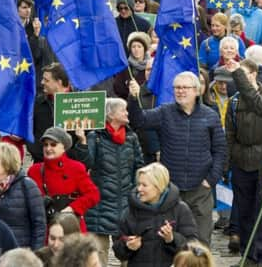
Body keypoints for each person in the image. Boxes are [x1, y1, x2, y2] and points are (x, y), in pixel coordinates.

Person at [128, 72, 227, 245]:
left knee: (200, 242)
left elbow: (220, 150)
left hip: (200, 190)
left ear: (196, 91)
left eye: (184, 88)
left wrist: (211, 179)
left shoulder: (210, 115)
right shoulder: (165, 111)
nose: (180, 91)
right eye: (177, 88)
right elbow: (139, 121)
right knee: (170, 241)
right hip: (171, 190)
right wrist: (134, 98)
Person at [224, 58, 262, 264]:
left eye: (244, 75)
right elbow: (229, 134)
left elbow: (261, 107)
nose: (241, 81)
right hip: (241, 160)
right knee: (244, 209)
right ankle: (248, 254)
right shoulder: (235, 101)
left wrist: (238, 76)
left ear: (254, 75)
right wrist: (227, 162)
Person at [76, 98, 145, 266]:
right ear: (111, 115)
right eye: (124, 110)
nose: (127, 113)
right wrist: (82, 142)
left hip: (126, 204)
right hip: (100, 206)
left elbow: (139, 166)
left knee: (129, 254)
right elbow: (86, 164)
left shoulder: (131, 137)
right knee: (98, 255)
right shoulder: (95, 137)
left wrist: (138, 191)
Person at [112, 162, 198, 266]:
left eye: (144, 185)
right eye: (138, 184)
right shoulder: (130, 211)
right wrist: (127, 246)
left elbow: (192, 246)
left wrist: (172, 239)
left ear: (159, 187)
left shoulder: (180, 209)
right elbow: (118, 250)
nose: (139, 189)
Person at [27, 127, 100, 232]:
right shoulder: (34, 170)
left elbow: (93, 195)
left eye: (53, 144)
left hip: (72, 229)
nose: (48, 148)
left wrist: (72, 209)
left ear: (64, 147)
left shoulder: (76, 168)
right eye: (45, 145)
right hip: (46, 230)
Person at [0, 142, 46, 249]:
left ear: (7, 163)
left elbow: (39, 225)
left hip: (18, 254)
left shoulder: (27, 185)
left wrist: (35, 256)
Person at [114, 32, 152, 97]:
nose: (136, 49)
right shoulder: (125, 67)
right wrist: (129, 88)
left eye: (139, 47)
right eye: (133, 47)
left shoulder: (151, 65)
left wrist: (140, 90)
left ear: (144, 48)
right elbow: (118, 88)